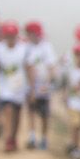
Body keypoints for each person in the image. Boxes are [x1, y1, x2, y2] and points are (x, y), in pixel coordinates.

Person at [0, 20, 31, 153]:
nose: (10, 39)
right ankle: (8, 138)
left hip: (19, 87)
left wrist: (31, 88)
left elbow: (28, 68)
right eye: (8, 36)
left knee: (17, 114)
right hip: (5, 87)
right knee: (8, 110)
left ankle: (13, 138)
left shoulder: (23, 49)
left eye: (12, 36)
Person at [23, 20, 57, 150]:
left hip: (43, 88)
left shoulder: (46, 47)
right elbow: (26, 67)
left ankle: (44, 139)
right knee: (31, 111)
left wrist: (47, 84)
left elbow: (51, 67)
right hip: (30, 86)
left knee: (44, 115)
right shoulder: (27, 47)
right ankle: (32, 137)